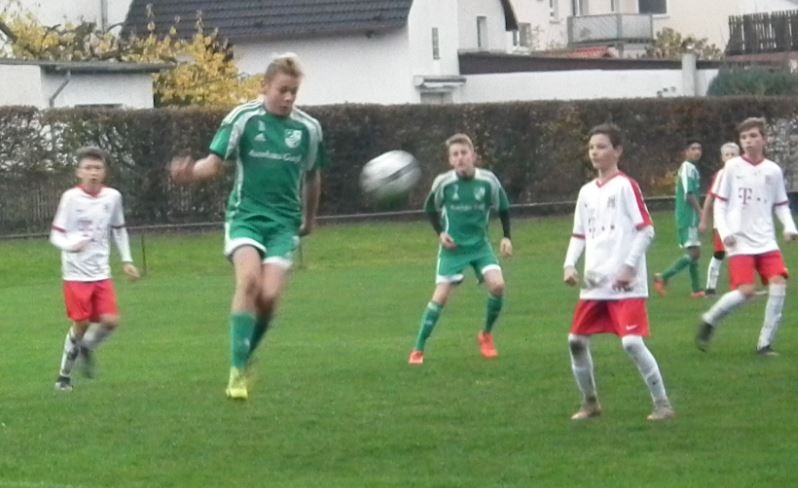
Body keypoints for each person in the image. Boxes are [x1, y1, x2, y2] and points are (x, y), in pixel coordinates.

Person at [170, 53, 325, 400]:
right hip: (246, 218)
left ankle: (246, 352)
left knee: (268, 298)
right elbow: (213, 164)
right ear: (265, 86)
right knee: (250, 281)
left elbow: (313, 177)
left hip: (284, 224)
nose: (288, 97)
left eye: (294, 92)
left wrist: (310, 218)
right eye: (282, 90)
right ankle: (237, 371)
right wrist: (189, 173)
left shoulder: (308, 129)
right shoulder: (243, 118)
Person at [563, 123, 673, 421]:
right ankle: (590, 403)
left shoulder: (626, 186)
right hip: (595, 281)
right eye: (591, 147)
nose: (595, 152)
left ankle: (662, 404)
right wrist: (569, 264)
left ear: (618, 151)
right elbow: (579, 235)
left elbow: (646, 230)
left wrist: (628, 267)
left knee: (631, 342)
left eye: (601, 146)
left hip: (626, 284)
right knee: (575, 341)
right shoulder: (586, 192)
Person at [408, 133, 512, 365]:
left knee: (498, 285)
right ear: (450, 160)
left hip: (480, 245)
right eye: (455, 154)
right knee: (441, 297)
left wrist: (506, 237)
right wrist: (440, 233)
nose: (460, 158)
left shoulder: (488, 181)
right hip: (453, 248)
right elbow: (429, 209)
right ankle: (418, 349)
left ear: (473, 155)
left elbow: (503, 207)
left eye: (464, 153)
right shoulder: (444, 183)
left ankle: (486, 335)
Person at [696, 117, 797, 355]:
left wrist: (789, 227)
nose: (748, 141)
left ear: (764, 139)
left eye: (753, 136)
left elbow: (781, 204)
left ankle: (765, 344)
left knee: (779, 284)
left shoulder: (773, 170)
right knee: (746, 291)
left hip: (766, 240)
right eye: (744, 137)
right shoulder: (732, 168)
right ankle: (710, 319)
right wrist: (725, 232)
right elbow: (720, 204)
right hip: (739, 240)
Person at [50, 146, 140, 392]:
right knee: (80, 325)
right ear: (79, 172)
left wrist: (127, 260)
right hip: (75, 274)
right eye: (88, 168)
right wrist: (71, 245)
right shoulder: (70, 198)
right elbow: (56, 235)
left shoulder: (112, 197)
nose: (93, 172)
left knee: (111, 321)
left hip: (101, 272)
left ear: (104, 172)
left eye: (97, 168)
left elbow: (119, 229)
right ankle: (64, 377)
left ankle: (87, 348)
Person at [654, 138, 704, 298]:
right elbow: (689, 194)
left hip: (691, 217)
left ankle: (696, 290)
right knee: (694, 252)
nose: (697, 152)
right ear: (686, 152)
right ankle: (663, 277)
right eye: (693, 149)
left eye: (699, 149)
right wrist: (701, 212)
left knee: (695, 252)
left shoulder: (692, 168)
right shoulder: (687, 168)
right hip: (688, 217)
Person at [698, 142, 741, 295]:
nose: (730, 157)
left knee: (740, 253)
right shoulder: (721, 175)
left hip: (739, 221)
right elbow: (710, 198)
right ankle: (710, 288)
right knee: (719, 253)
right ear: (722, 158)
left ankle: (739, 285)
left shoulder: (743, 174)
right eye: (727, 155)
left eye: (733, 154)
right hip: (722, 222)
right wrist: (704, 220)